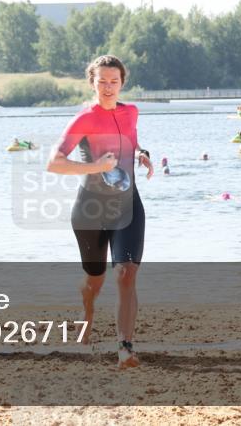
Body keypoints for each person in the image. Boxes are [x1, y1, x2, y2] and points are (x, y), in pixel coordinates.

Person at [46, 55, 153, 369]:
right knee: (95, 279)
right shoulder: (84, 119)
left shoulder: (131, 112)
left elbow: (131, 142)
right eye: (102, 81)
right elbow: (54, 162)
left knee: (126, 272)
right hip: (91, 208)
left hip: (128, 205)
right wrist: (96, 166)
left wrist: (142, 154)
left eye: (114, 81)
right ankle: (88, 313)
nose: (108, 87)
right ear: (92, 82)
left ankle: (125, 347)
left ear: (122, 83)